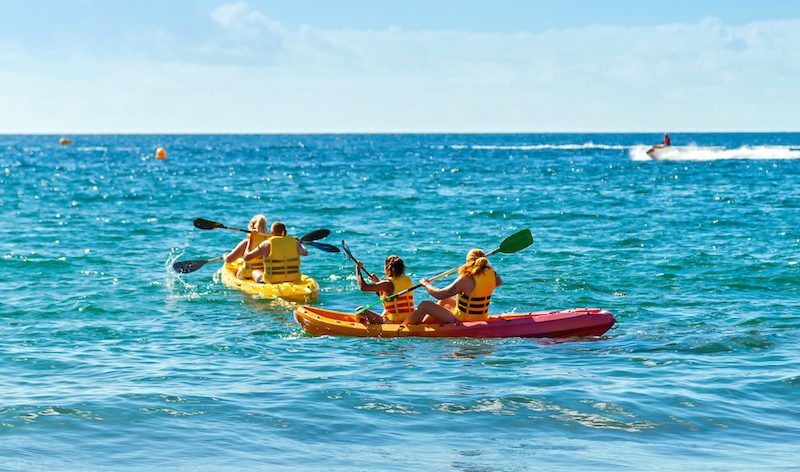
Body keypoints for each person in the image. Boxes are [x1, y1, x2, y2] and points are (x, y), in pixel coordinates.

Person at [404, 249, 502, 325]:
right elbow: (498, 282)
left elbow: (439, 294)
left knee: (424, 305)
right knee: (445, 301)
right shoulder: (492, 275)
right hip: (481, 317)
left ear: (468, 261)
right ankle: (426, 324)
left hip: (463, 319)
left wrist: (426, 284)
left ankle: (405, 326)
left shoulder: (466, 278)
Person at [354, 255, 414, 324]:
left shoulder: (387, 283)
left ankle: (361, 329)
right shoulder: (407, 279)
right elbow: (389, 298)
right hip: (410, 319)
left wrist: (358, 270)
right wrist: (377, 282)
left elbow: (363, 287)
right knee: (385, 311)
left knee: (360, 310)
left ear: (389, 268)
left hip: (392, 322)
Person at [244, 221, 308, 283]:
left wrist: (251, 239)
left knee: (255, 272)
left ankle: (262, 283)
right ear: (285, 232)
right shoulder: (294, 243)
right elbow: (305, 253)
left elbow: (247, 257)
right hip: (293, 278)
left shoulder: (266, 244)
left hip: (272, 280)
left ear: (272, 233)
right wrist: (299, 243)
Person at [223, 214, 268, 280]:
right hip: (264, 272)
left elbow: (229, 260)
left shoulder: (246, 243)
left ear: (251, 228)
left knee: (237, 271)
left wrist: (225, 256)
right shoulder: (269, 241)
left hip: (248, 274)